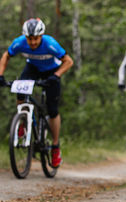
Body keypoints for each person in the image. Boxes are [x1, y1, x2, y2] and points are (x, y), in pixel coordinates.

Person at [0, 18, 73, 168]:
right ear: (25, 37)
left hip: (52, 71)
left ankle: (55, 146)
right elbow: (6, 55)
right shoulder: (19, 42)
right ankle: (23, 123)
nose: (32, 42)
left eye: (36, 39)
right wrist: (0, 75)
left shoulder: (50, 44)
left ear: (42, 36)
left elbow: (68, 61)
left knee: (52, 110)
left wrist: (56, 75)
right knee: (20, 93)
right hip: (32, 69)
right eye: (29, 39)